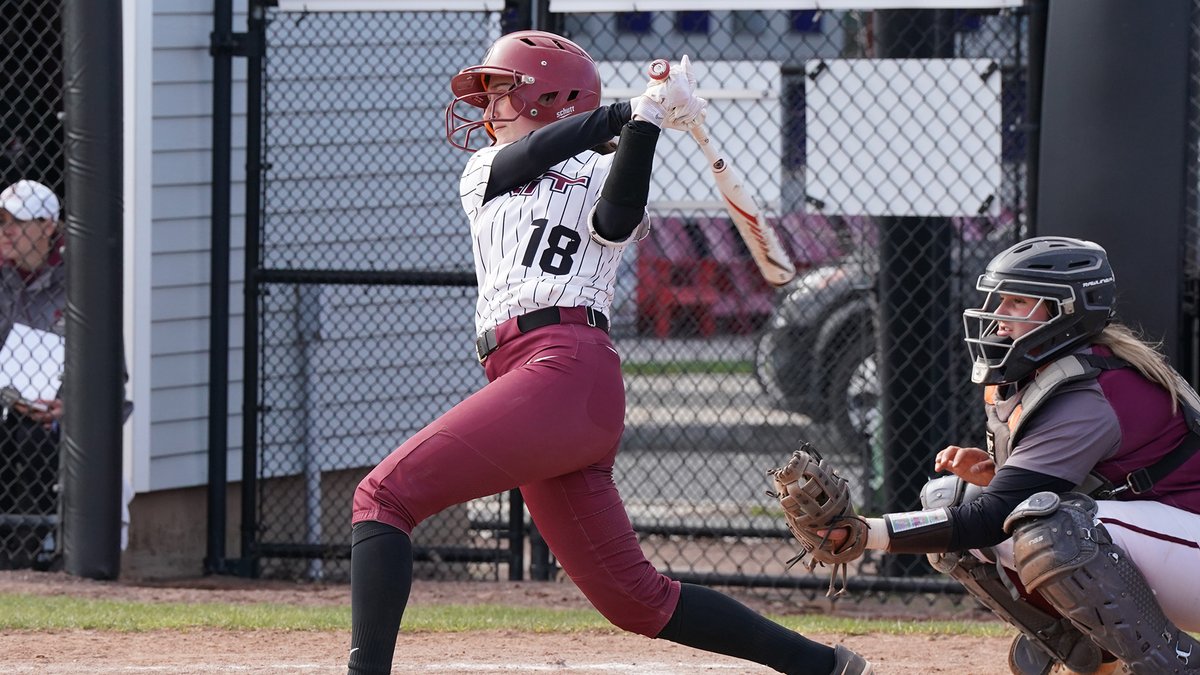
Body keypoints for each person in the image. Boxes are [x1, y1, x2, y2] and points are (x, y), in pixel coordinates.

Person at [346, 30, 873, 675]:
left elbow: (617, 218)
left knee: (382, 499)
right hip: (543, 382)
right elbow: (537, 153)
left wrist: (646, 123)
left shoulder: (604, 167)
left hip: (564, 368)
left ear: (549, 95)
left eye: (503, 91)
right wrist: (633, 110)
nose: (487, 105)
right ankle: (826, 667)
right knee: (637, 601)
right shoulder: (485, 169)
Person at [815, 236, 1200, 674]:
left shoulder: (1089, 390)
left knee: (1053, 528)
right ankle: (1090, 649)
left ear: (1065, 310)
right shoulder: (1047, 373)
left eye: (1017, 302)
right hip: (1175, 547)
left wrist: (868, 533)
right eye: (1000, 301)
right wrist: (1002, 473)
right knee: (951, 499)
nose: (999, 317)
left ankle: (1177, 663)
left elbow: (992, 516)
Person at [0, 179, 133, 568]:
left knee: (37, 442)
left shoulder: (80, 282)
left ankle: (36, 551)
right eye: (1, 220)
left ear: (47, 227)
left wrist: (68, 406)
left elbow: (113, 373)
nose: (6, 230)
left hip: (56, 416)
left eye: (18, 221)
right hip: (4, 404)